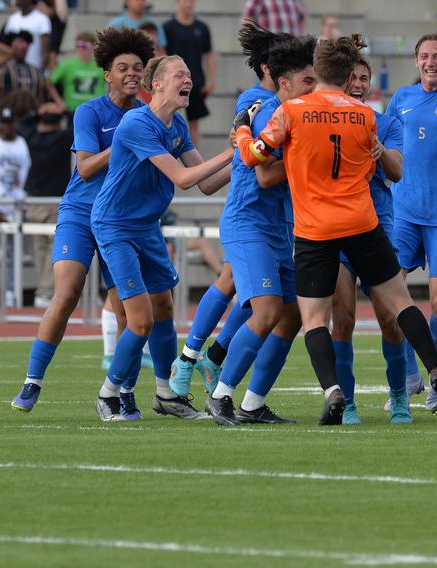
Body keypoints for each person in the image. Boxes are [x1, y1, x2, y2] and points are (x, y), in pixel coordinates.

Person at [236, 34, 437, 426]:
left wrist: (241, 130)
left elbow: (255, 157)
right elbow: (373, 166)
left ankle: (334, 391)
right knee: (400, 303)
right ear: (348, 72)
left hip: (315, 229)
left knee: (316, 319)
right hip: (362, 222)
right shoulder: (366, 115)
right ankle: (435, 369)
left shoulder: (293, 111)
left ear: (317, 71)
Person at [9, 27, 155, 414]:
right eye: (122, 67)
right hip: (81, 213)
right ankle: (32, 382)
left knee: (127, 310)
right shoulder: (90, 111)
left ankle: (122, 391)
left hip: (120, 220)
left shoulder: (148, 115)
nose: (131, 73)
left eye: (138, 67)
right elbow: (86, 167)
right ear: (106, 74)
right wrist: (125, 137)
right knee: (67, 294)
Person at [90, 54, 232, 422]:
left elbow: (206, 183)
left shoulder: (178, 124)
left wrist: (252, 154)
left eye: (189, 74)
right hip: (115, 226)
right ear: (157, 84)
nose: (189, 80)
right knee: (141, 321)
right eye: (181, 75)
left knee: (166, 309)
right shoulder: (138, 122)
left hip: (147, 226)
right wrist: (236, 149)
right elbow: (183, 179)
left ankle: (166, 395)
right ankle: (108, 395)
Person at [167, 18, 289, 399]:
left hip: (276, 217)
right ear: (270, 69)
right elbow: (263, 167)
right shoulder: (258, 101)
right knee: (252, 295)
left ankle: (207, 358)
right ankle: (191, 362)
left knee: (233, 283)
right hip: (251, 211)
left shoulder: (276, 103)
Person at [203, 35, 318, 427]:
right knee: (266, 310)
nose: (313, 89)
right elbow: (266, 176)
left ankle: (252, 404)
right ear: (283, 81)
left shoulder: (267, 103)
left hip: (280, 227)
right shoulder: (273, 109)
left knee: (290, 316)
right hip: (248, 221)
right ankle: (219, 394)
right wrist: (310, 156)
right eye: (307, 82)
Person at [384, 33, 437, 409]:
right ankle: (409, 377)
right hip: (404, 211)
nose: (430, 62)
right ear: (416, 61)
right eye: (424, 56)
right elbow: (385, 145)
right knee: (389, 296)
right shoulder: (401, 98)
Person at [330, 58, 414, 425]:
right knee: (343, 318)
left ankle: (399, 397)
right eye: (352, 77)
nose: (358, 83)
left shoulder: (386, 124)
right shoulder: (326, 122)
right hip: (336, 229)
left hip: (378, 226)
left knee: (390, 318)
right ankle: (346, 402)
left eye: (364, 77)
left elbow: (397, 171)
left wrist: (380, 151)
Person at [24, 107, 72, 308]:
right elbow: (75, 124)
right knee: (53, 248)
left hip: (35, 201)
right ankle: (45, 291)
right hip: (54, 201)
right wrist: (63, 111)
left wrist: (36, 112)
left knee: (40, 248)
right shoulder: (62, 138)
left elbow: (23, 125)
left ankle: (43, 291)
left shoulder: (32, 139)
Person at [0, 107, 29, 307]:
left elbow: (25, 175)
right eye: (4, 122)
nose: (7, 126)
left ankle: (11, 291)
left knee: (12, 253)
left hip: (15, 206)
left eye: (10, 122)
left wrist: (20, 203)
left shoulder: (21, 143)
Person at [163, 0, 215, 153]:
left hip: (196, 82)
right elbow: (163, 55)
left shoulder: (202, 28)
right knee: (169, 120)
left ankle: (196, 161)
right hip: (173, 83)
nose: (188, 3)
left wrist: (212, 80)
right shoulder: (168, 28)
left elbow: (209, 54)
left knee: (194, 123)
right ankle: (169, 158)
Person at [0, 31, 65, 117]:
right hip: (10, 117)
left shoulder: (35, 72)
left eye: (23, 44)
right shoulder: (5, 71)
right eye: (17, 44)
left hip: (32, 117)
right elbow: (0, 96)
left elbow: (41, 96)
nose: (20, 48)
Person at [50, 31, 106, 113]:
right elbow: (50, 82)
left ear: (94, 47)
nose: (81, 49)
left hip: (96, 110)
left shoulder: (101, 66)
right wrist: (59, 102)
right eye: (78, 46)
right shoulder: (67, 65)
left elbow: (114, 83)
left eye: (85, 46)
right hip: (73, 110)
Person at [0, 0, 51, 71]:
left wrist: (41, 74)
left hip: (35, 72)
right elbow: (5, 46)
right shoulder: (12, 19)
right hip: (14, 72)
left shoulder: (42, 19)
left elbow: (45, 51)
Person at [242, 0, 307, 36]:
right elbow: (247, 19)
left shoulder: (295, 1)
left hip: (293, 49)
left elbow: (303, 18)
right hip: (269, 49)